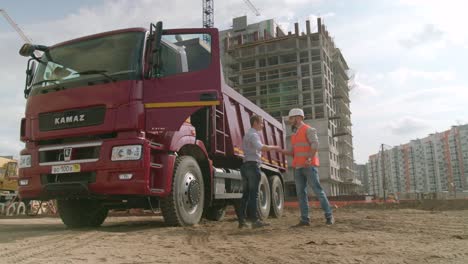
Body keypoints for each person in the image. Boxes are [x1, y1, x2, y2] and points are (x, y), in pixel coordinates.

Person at [280, 108, 335, 226]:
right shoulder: (294, 134)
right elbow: (293, 152)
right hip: (298, 167)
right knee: (301, 194)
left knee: (318, 191)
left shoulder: (309, 129)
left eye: (292, 118)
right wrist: (280, 150)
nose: (290, 121)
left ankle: (329, 216)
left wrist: (309, 158)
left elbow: (315, 144)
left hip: (309, 166)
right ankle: (305, 219)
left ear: (299, 117)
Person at [238, 114, 282, 229]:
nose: (262, 125)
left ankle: (242, 221)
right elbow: (260, 147)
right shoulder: (254, 135)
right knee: (254, 194)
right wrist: (274, 148)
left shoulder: (247, 134)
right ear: (255, 123)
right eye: (261, 123)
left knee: (246, 195)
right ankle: (254, 220)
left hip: (245, 166)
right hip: (253, 166)